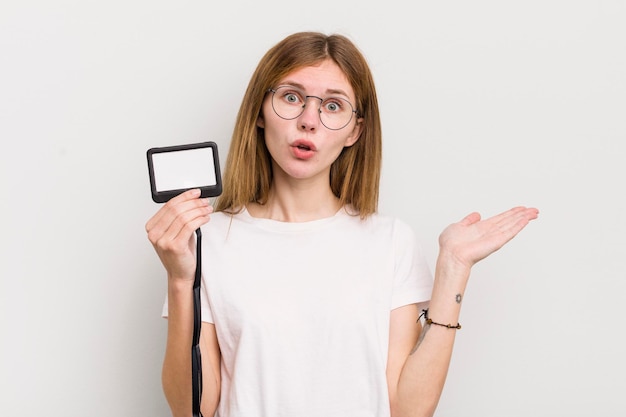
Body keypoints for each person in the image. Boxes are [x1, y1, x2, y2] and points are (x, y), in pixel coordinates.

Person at [146, 31, 539, 417]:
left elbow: (409, 409)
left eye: (333, 106)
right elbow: (191, 409)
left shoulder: (390, 241)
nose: (308, 121)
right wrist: (181, 281)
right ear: (260, 113)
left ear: (356, 130)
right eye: (291, 97)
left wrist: (453, 270)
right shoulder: (208, 241)